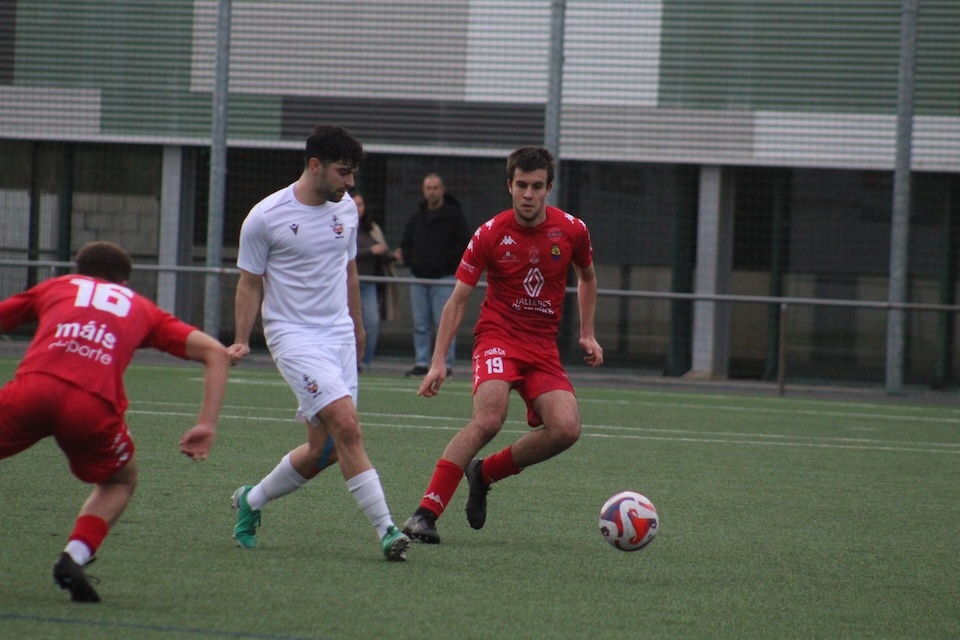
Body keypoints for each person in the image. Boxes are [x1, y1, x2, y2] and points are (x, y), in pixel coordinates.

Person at [0, 240, 230, 603]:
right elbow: (215, 352)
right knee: (119, 481)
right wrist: (207, 423)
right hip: (92, 407)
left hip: (33, 390)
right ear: (124, 282)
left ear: (78, 272)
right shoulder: (140, 306)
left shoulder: (58, 286)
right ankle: (74, 555)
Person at [401, 147, 603, 544]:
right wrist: (438, 360)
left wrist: (587, 332)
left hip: (542, 348)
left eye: (537, 186)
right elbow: (457, 300)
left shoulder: (572, 230)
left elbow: (588, 277)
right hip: (499, 338)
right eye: (521, 185)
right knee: (489, 418)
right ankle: (424, 514)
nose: (528, 194)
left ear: (548, 188)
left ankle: (485, 472)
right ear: (509, 185)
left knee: (567, 428)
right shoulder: (490, 233)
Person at [227, 125, 410, 561]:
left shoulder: (345, 209)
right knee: (347, 427)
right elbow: (249, 283)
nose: (351, 183)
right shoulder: (265, 217)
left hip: (339, 335)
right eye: (343, 172)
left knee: (324, 450)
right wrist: (240, 339)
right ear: (315, 166)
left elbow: (349, 271)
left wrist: (358, 328)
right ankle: (387, 530)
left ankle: (251, 500)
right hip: (293, 336)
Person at [395, 173, 471, 377]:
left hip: (444, 278)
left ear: (443, 190)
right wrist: (412, 260)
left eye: (435, 188)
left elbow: (463, 244)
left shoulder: (454, 216)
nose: (432, 192)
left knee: (445, 323)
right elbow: (406, 242)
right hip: (419, 278)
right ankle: (421, 362)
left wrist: (445, 263)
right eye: (428, 188)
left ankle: (446, 363)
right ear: (423, 190)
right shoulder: (417, 217)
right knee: (420, 324)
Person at [354, 192, 398, 371]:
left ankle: (364, 362)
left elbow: (383, 253)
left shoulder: (372, 229)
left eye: (360, 205)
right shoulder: (341, 227)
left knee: (371, 322)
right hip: (347, 283)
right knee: (347, 324)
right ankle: (349, 362)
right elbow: (343, 253)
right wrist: (370, 251)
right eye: (354, 205)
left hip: (369, 284)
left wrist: (392, 255)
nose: (357, 209)